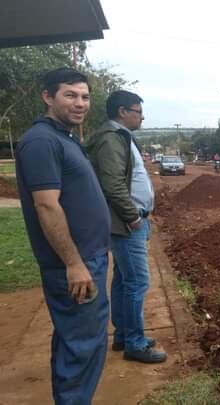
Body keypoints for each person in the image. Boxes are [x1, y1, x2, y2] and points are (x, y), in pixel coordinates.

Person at [15, 67, 111, 404]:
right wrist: (74, 263)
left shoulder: (65, 137)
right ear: (47, 97)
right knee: (83, 346)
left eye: (85, 96)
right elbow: (46, 206)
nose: (80, 103)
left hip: (88, 258)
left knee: (76, 340)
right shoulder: (41, 140)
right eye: (70, 95)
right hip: (75, 265)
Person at [85, 90, 167, 364]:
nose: (141, 116)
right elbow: (113, 184)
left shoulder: (121, 137)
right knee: (137, 282)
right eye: (138, 111)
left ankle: (123, 335)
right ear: (122, 112)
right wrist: (133, 217)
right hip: (127, 223)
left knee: (123, 279)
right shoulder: (111, 139)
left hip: (129, 221)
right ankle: (135, 342)